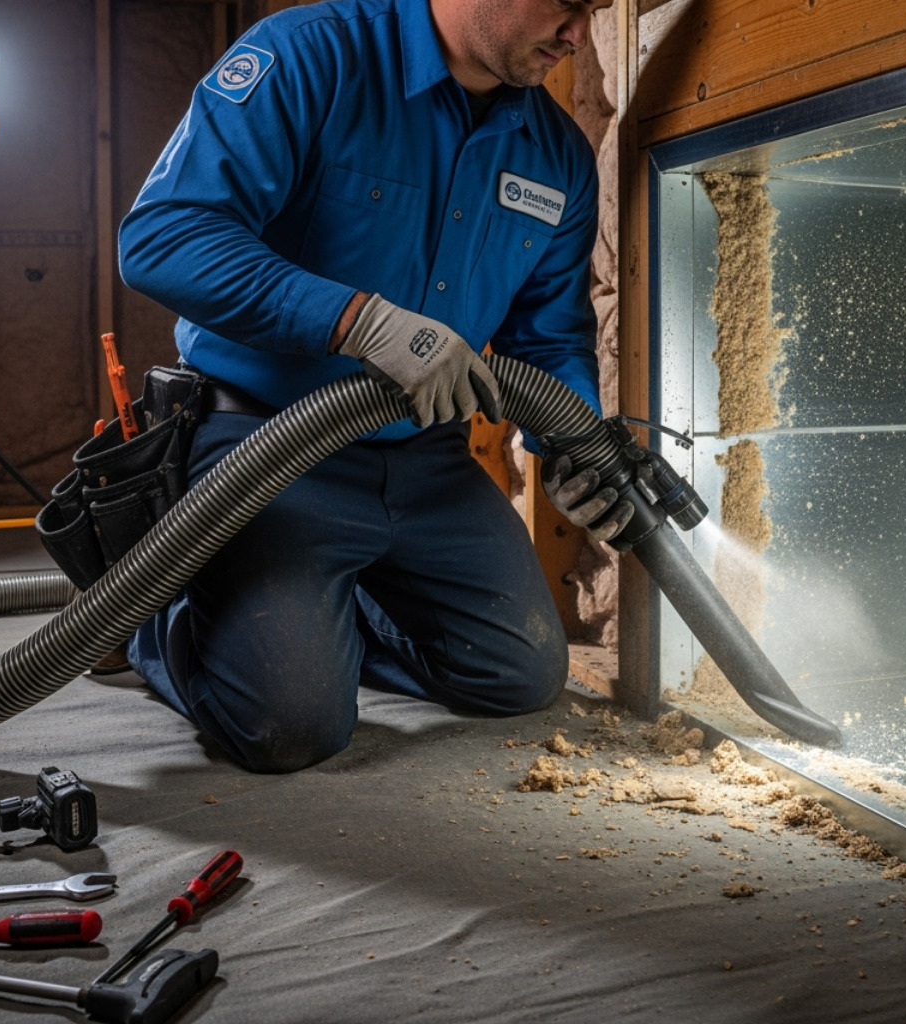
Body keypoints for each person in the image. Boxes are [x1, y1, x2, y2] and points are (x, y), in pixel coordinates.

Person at [117, 0, 624, 773]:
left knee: (518, 672)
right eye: (564, 4)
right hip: (265, 441)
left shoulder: (556, 156)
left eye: (594, 10)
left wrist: (574, 446)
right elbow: (165, 237)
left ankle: (317, 618)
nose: (578, 35)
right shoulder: (310, 57)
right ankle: (157, 611)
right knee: (290, 726)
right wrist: (360, 322)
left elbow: (549, 339)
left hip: (424, 456)